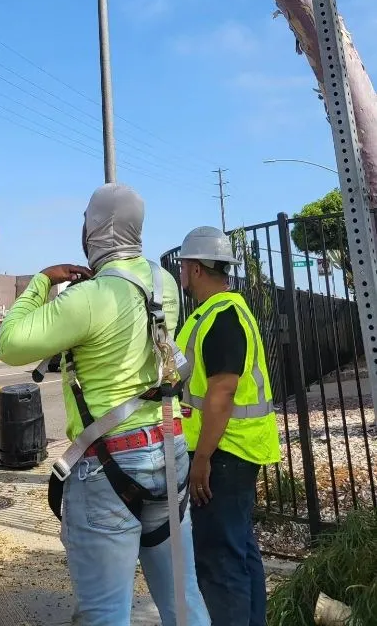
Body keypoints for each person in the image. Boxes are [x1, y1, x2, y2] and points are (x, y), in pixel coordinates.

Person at [0, 184, 209, 626]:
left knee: (105, 614)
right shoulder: (164, 282)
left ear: (94, 228)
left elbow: (10, 343)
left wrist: (43, 281)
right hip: (168, 453)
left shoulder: (88, 298)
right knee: (184, 602)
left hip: (108, 466)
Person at [175, 227, 281, 626]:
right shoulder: (222, 312)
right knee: (239, 552)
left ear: (197, 268)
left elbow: (222, 390)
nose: (181, 271)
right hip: (234, 451)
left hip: (224, 454)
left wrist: (202, 457)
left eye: (184, 264)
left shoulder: (222, 316)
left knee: (220, 562)